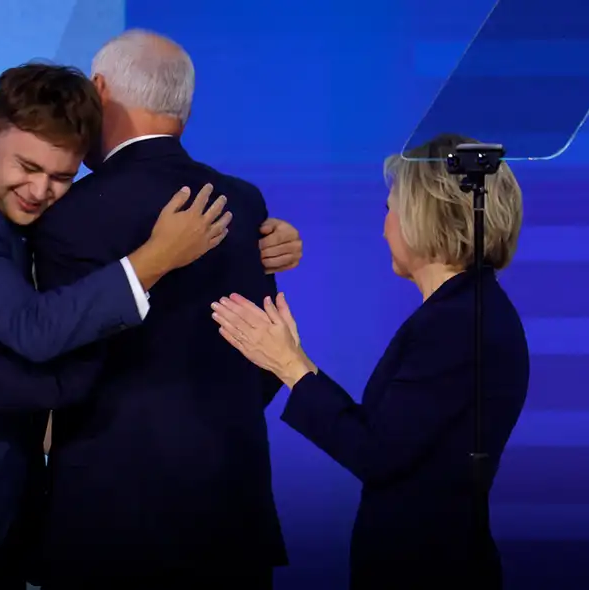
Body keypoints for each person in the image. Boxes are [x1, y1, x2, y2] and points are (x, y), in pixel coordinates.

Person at [0, 31, 294, 590]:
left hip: (108, 516)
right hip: (231, 513)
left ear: (98, 91)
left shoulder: (73, 214)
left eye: (58, 176)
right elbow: (262, 363)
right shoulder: (241, 201)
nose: (44, 189)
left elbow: (65, 369)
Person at [211, 133, 529, 590]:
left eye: (389, 209)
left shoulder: (459, 323)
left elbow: (377, 453)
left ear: (423, 213)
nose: (384, 227)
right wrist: (295, 363)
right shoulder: (462, 312)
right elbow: (393, 440)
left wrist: (291, 367)